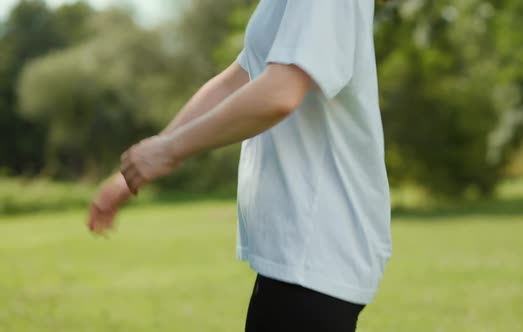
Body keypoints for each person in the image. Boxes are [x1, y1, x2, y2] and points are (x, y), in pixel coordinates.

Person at [88, 0, 392, 331]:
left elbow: (281, 92)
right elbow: (239, 78)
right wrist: (141, 164)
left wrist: (169, 151)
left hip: (319, 250)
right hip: (297, 257)